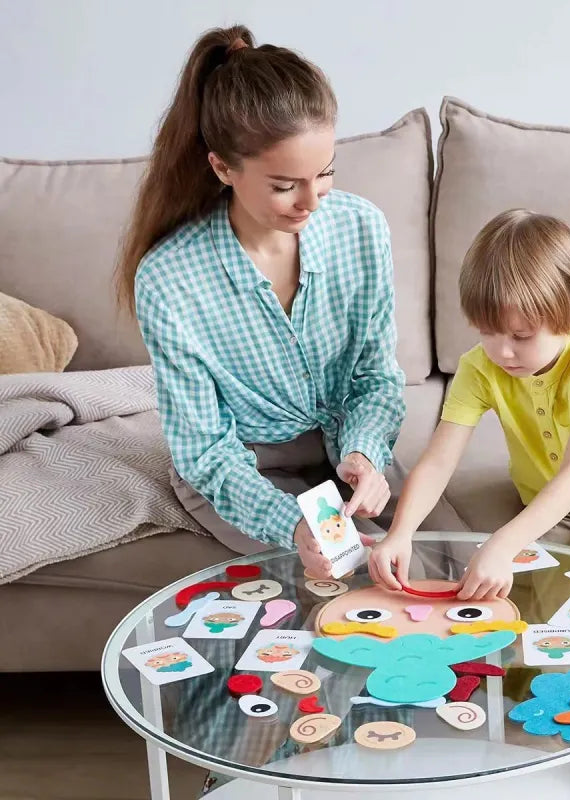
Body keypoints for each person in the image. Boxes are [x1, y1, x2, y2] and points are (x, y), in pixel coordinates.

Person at [370, 209, 570, 800]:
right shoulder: (481, 366)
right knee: (550, 602)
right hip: (555, 504)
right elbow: (438, 459)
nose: (502, 352)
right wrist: (399, 532)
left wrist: (503, 541)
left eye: (520, 336)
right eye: (488, 333)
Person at [116, 24, 408, 579]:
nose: (310, 201)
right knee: (342, 572)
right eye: (283, 185)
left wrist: (365, 455)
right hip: (244, 466)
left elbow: (376, 377)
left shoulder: (362, 228)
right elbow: (206, 451)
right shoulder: (169, 279)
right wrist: (293, 525)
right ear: (223, 169)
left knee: (422, 558)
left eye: (324, 174)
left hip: (343, 446)